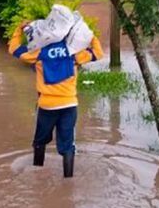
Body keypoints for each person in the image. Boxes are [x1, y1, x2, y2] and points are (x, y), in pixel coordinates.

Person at [8, 18, 104, 178]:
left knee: (40, 141)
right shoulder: (74, 53)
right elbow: (98, 53)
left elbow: (14, 49)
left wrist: (19, 30)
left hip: (46, 106)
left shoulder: (38, 53)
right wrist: (90, 35)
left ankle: (37, 174)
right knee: (68, 145)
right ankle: (68, 181)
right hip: (69, 105)